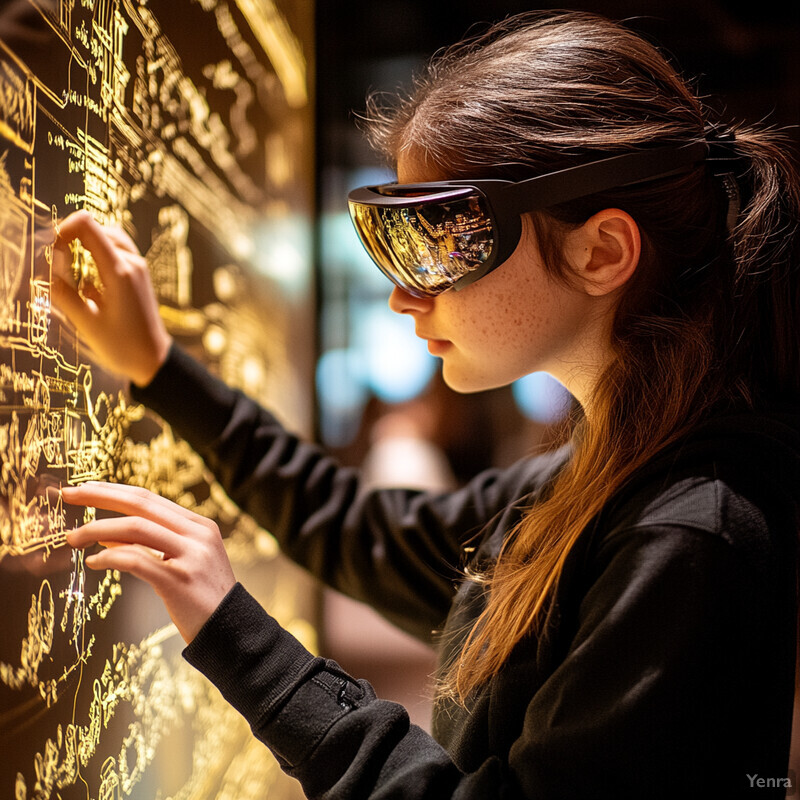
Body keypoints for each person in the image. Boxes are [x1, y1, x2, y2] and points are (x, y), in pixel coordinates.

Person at [52, 10, 799, 799]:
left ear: (601, 252)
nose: (406, 296)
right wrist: (159, 368)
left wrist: (237, 635)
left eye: (441, 238)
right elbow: (357, 530)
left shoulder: (688, 534)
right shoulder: (594, 482)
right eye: (395, 241)